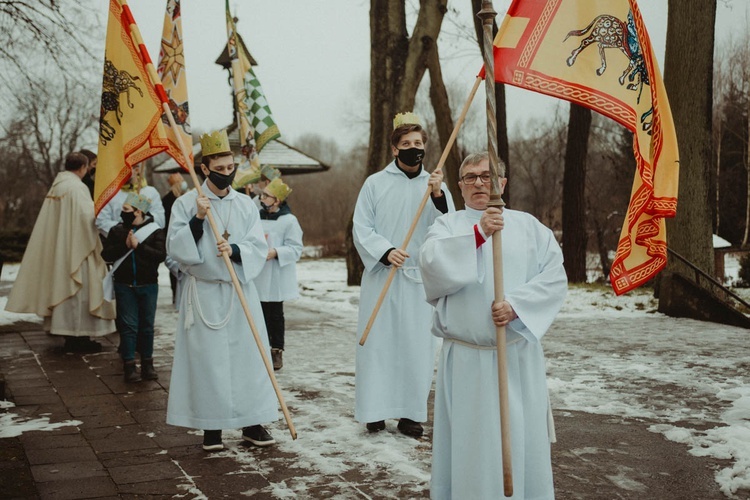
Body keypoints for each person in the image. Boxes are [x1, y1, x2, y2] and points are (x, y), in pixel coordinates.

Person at [418, 152, 568, 499]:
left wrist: (517, 306)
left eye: (487, 176)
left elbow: (555, 277)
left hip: (515, 359)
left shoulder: (529, 226)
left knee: (519, 440)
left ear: (502, 183)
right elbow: (431, 267)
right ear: (459, 186)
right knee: (470, 448)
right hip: (467, 360)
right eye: (470, 177)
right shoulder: (447, 226)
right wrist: (477, 234)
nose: (479, 183)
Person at [166, 129, 278, 451]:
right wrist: (198, 220)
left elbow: (257, 245)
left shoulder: (244, 204)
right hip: (203, 292)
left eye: (231, 167)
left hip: (238, 289)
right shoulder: (187, 203)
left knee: (249, 358)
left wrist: (238, 250)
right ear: (205, 168)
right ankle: (211, 427)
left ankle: (252, 422)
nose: (227, 174)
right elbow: (176, 248)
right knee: (208, 362)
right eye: (220, 168)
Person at [352, 111, 454, 437]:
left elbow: (448, 228)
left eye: (419, 142)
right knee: (379, 345)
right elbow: (362, 227)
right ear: (395, 149)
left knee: (416, 345)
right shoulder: (375, 184)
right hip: (383, 274)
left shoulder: (435, 185)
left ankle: (411, 413)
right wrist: (384, 250)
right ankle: (375, 410)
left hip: (416, 279)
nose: (415, 148)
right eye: (407, 143)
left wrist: (438, 196)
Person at [5, 152, 116, 352]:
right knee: (81, 295)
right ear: (83, 168)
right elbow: (87, 217)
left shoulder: (57, 186)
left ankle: (69, 336)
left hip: (60, 249)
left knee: (65, 292)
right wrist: (103, 210)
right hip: (77, 249)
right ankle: (79, 337)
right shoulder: (77, 187)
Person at [101, 193, 166, 382]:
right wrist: (125, 245)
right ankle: (129, 365)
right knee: (128, 327)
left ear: (139, 211)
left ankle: (148, 364)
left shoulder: (155, 231)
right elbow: (106, 254)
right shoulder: (117, 231)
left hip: (148, 285)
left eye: (126, 210)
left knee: (146, 327)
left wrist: (139, 247)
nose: (123, 214)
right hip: (125, 285)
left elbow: (160, 255)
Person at [255, 177, 303, 371]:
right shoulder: (256, 217)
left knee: (275, 314)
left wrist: (275, 252)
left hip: (275, 273)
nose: (262, 197)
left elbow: (296, 248)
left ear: (277, 201)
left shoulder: (289, 220)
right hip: (258, 273)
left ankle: (276, 350)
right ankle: (261, 349)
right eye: (263, 194)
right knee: (259, 312)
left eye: (267, 195)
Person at [96, 163, 165, 237]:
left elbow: (160, 220)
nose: (122, 172)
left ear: (137, 170)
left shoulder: (150, 192)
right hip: (119, 242)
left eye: (126, 169)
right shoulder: (108, 193)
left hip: (145, 241)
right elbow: (101, 222)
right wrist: (125, 230)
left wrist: (142, 219)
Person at [162, 172, 188, 304]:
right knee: (175, 266)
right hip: (172, 234)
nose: (184, 183)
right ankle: (175, 294)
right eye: (181, 181)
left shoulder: (186, 197)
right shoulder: (168, 199)